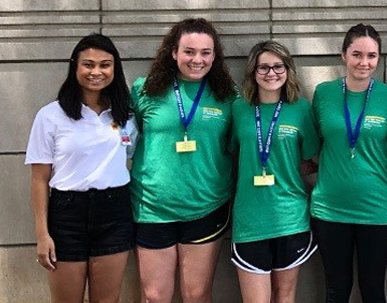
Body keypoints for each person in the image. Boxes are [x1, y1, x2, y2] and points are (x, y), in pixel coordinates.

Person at [131, 18, 237, 303]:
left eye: (205, 52)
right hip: (152, 206)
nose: (197, 60)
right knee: (154, 296)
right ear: (174, 52)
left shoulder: (228, 97)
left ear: (215, 56)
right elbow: (130, 137)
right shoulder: (144, 90)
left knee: (197, 295)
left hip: (206, 206)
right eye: (189, 51)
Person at [26, 33, 137, 303]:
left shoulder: (126, 115)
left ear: (115, 68)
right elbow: (40, 180)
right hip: (67, 215)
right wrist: (43, 234)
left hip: (114, 211)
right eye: (88, 64)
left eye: (105, 64)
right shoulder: (51, 116)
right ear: (75, 66)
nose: (96, 72)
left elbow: (130, 153)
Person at [309, 24, 387, 303]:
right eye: (357, 55)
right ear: (343, 55)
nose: (364, 63)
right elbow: (315, 149)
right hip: (330, 209)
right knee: (336, 290)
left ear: (378, 58)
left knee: (373, 290)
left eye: (371, 56)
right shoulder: (323, 94)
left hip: (377, 209)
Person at [230, 40, 320, 303]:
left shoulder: (301, 109)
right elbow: (231, 151)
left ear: (288, 70)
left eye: (278, 66)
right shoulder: (239, 109)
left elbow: (316, 157)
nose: (271, 73)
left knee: (285, 297)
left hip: (290, 217)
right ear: (253, 72)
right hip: (250, 220)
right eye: (264, 67)